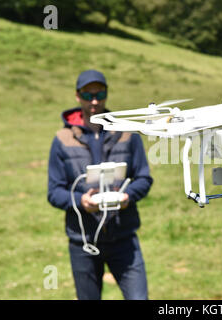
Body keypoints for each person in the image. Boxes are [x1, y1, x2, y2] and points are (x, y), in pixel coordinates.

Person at [47, 69, 153, 300]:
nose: (94, 101)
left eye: (99, 94)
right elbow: (54, 192)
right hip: (83, 241)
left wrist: (128, 196)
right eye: (87, 95)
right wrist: (80, 201)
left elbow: (144, 178)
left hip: (123, 236)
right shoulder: (62, 140)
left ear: (106, 94)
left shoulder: (127, 133)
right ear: (78, 96)